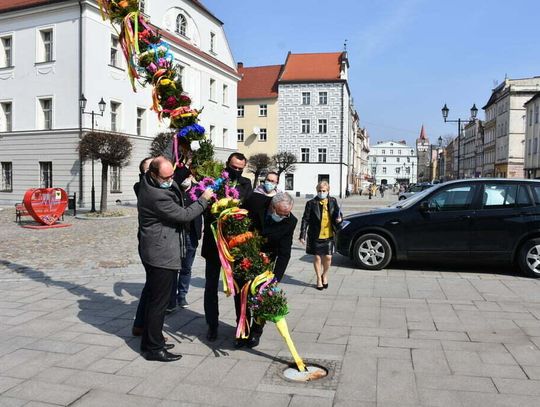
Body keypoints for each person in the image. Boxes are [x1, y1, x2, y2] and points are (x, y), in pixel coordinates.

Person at [137, 156, 213, 362]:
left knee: (155, 299)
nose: (171, 180)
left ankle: (150, 340)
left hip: (157, 249)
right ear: (153, 174)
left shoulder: (148, 180)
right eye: (167, 177)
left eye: (172, 175)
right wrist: (204, 199)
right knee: (159, 303)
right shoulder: (156, 196)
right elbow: (184, 215)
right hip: (161, 253)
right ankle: (154, 348)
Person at [202, 152, 252, 342]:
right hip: (214, 242)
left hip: (234, 243)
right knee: (211, 285)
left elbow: (246, 208)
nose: (237, 171)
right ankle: (212, 325)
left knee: (238, 285)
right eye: (234, 167)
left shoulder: (246, 183)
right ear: (227, 164)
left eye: (241, 168)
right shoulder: (214, 181)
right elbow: (204, 205)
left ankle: (241, 324)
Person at [237, 192, 297, 348]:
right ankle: (242, 330)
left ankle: (256, 332)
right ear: (272, 206)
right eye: (280, 214)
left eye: (286, 214)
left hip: (266, 260)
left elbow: (285, 253)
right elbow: (238, 217)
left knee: (261, 296)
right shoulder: (256, 201)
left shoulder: (290, 221)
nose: (283, 217)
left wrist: (275, 279)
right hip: (245, 254)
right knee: (241, 295)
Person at [167, 174, 202, 311]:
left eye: (188, 175)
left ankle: (182, 295)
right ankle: (171, 298)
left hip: (191, 234)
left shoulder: (198, 190)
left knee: (186, 267)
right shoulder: (172, 190)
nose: (185, 178)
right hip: (175, 234)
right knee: (173, 267)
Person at [299, 181, 342, 290]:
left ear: (328, 191)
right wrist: (302, 235)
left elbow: (338, 213)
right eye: (320, 190)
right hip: (315, 235)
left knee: (328, 257)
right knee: (317, 258)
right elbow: (305, 219)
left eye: (324, 191)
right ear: (317, 191)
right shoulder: (311, 203)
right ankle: (318, 278)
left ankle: (325, 275)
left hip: (329, 234)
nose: (321, 192)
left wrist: (340, 219)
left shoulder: (332, 201)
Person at [132, 156, 154, 337]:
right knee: (153, 287)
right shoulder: (141, 187)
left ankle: (140, 324)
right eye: (151, 168)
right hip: (150, 244)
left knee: (151, 285)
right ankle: (147, 329)